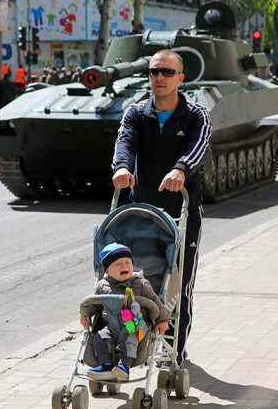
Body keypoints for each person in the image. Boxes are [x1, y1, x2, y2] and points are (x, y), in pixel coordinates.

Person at [112, 49, 212, 367]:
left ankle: (171, 355)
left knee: (176, 288)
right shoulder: (136, 113)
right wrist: (122, 167)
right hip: (140, 216)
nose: (159, 77)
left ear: (180, 78)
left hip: (181, 214)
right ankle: (129, 345)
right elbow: (125, 140)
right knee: (129, 285)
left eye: (167, 72)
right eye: (155, 71)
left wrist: (181, 169)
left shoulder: (195, 115)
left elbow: (199, 144)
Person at [80, 243, 170, 381]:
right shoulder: (103, 286)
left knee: (128, 337)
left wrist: (163, 320)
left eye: (128, 262)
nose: (124, 266)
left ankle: (123, 367)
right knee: (100, 337)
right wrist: (85, 314)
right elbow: (94, 305)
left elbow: (156, 302)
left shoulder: (141, 284)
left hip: (136, 325)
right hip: (111, 325)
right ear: (108, 271)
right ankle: (105, 365)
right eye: (118, 264)